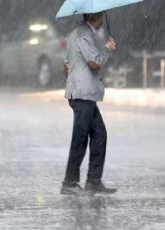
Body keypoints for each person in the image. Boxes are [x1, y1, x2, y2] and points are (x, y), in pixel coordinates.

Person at [61, 12, 117, 196]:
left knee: (99, 134)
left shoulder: (74, 33)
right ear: (98, 16)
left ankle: (93, 181)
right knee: (80, 138)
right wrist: (108, 48)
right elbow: (94, 63)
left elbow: (66, 67)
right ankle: (69, 183)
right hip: (83, 95)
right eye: (102, 16)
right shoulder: (85, 34)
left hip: (82, 93)